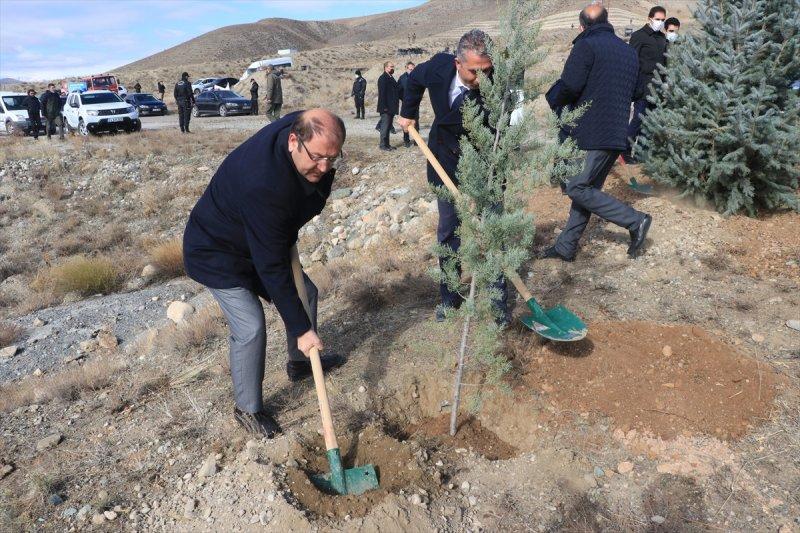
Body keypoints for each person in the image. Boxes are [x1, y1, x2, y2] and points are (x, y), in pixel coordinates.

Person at [183, 109, 347, 437]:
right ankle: (248, 409)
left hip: (258, 237)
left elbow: (278, 238)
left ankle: (301, 364)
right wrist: (302, 329)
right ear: (293, 141)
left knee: (307, 294)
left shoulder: (306, 129)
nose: (325, 167)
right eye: (317, 158)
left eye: (332, 158)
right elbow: (272, 267)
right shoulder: (263, 184)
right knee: (251, 326)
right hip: (216, 251)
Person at [398, 29, 510, 324]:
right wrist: (408, 112)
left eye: (487, 70)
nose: (482, 78)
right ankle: (450, 299)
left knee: (494, 230)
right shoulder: (437, 67)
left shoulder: (497, 84)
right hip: (445, 159)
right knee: (449, 232)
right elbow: (414, 80)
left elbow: (501, 130)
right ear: (457, 64)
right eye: (475, 71)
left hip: (487, 162)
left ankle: (499, 306)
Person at [542, 4, 652, 261]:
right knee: (586, 190)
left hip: (589, 132)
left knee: (576, 187)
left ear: (582, 26)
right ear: (607, 21)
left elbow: (570, 85)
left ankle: (635, 221)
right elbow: (638, 91)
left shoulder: (586, 45)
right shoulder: (627, 51)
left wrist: (553, 97)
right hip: (615, 135)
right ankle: (566, 246)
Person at [625, 5, 668, 162]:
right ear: (649, 18)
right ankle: (625, 150)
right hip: (643, 84)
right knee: (638, 118)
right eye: (657, 19)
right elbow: (632, 60)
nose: (660, 22)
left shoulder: (662, 38)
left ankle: (641, 155)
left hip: (658, 86)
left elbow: (665, 61)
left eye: (663, 20)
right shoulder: (639, 36)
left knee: (650, 121)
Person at [376, 61, 399, 151]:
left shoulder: (391, 77)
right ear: (385, 67)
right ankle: (383, 145)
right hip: (386, 107)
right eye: (391, 67)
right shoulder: (383, 78)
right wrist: (384, 107)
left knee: (388, 126)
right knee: (385, 127)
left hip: (391, 107)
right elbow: (382, 94)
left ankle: (387, 145)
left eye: (393, 67)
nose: (392, 68)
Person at [397, 62, 417, 147]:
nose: (412, 71)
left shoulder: (417, 78)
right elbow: (399, 91)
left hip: (415, 104)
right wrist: (404, 99)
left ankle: (417, 141)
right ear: (406, 68)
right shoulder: (402, 78)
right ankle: (406, 140)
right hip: (406, 104)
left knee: (416, 122)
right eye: (410, 69)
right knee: (405, 123)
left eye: (413, 69)